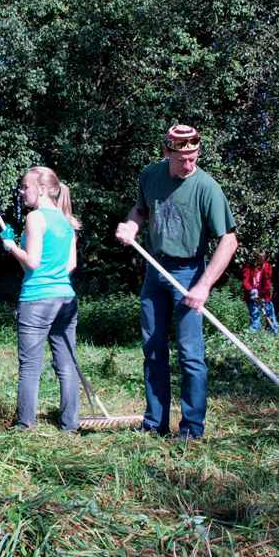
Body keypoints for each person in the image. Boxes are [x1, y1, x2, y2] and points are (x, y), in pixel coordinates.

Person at [115, 124, 238, 440]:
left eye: (194, 157)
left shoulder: (207, 187)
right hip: (155, 269)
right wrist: (131, 226)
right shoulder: (150, 176)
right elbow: (141, 210)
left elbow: (229, 240)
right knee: (153, 349)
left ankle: (191, 428)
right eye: (182, 158)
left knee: (190, 355)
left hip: (189, 273)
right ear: (167, 152)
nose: (189, 164)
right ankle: (154, 423)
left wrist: (204, 285)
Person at [0, 167, 82, 431]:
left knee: (30, 365)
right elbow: (69, 265)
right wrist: (17, 248)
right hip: (65, 298)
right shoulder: (67, 221)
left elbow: (32, 262)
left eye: (25, 187)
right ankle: (70, 424)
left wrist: (12, 246)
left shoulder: (35, 218)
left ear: (43, 189)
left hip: (36, 299)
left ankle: (25, 424)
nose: (22, 192)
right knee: (66, 364)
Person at [243, 251, 279, 333]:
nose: (261, 259)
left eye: (263, 257)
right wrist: (251, 290)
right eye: (259, 257)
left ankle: (274, 330)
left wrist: (261, 295)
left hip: (264, 295)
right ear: (256, 257)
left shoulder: (267, 267)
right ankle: (255, 333)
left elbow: (267, 283)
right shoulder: (249, 267)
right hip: (252, 296)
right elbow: (245, 281)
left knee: (269, 313)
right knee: (255, 315)